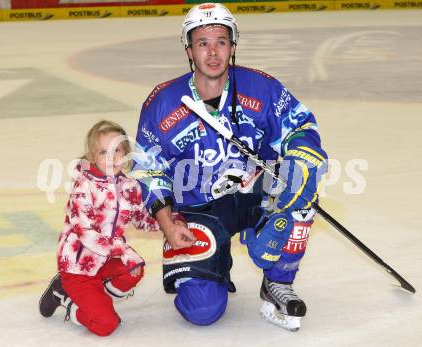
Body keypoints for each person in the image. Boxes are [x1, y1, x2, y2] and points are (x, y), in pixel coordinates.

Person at [134, 3, 328, 331]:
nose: (212, 53)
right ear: (189, 50)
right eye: (203, 43)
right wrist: (167, 223)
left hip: (254, 193)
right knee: (202, 311)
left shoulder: (262, 88)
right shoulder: (163, 102)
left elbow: (300, 127)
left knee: (300, 190)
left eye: (221, 42)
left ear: (233, 46)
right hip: (197, 208)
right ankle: (214, 264)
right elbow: (149, 169)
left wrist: (300, 160)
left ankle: (278, 280)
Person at [39, 120, 170, 336]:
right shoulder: (83, 186)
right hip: (78, 267)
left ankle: (96, 298)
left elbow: (141, 219)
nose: (111, 157)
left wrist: (170, 222)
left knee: (133, 270)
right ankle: (64, 295)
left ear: (125, 152)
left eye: (116, 150)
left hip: (105, 261)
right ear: (92, 156)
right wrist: (125, 251)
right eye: (103, 152)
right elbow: (88, 235)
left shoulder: (129, 186)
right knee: (106, 324)